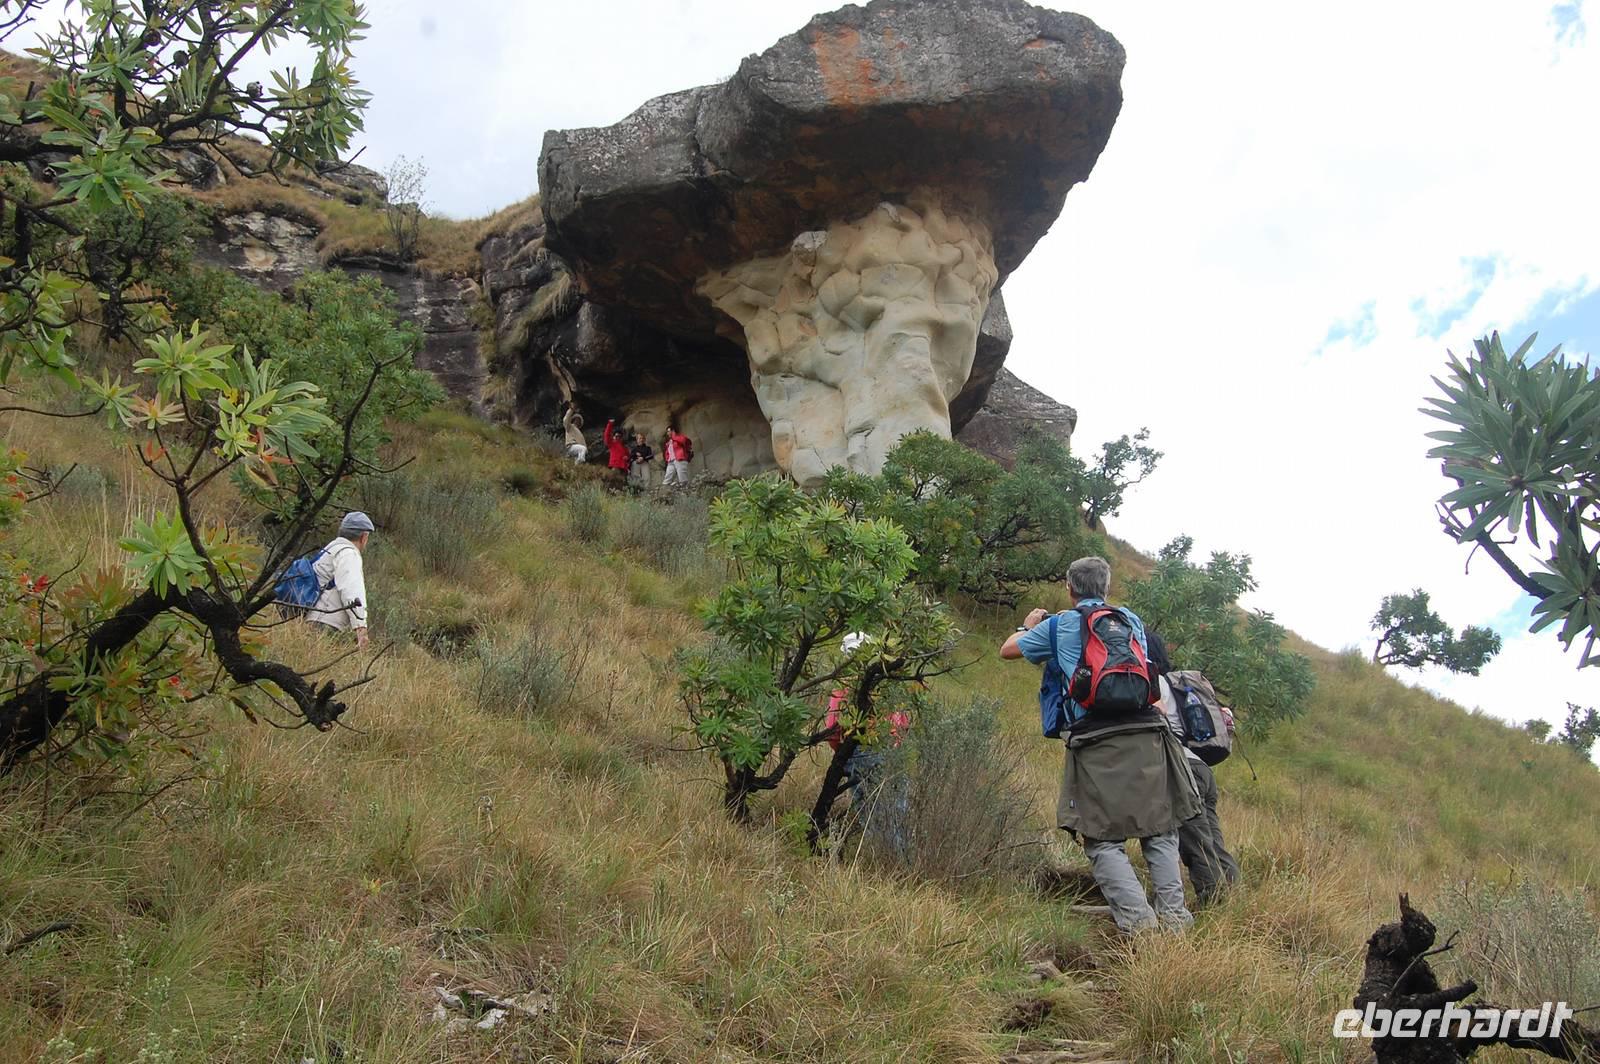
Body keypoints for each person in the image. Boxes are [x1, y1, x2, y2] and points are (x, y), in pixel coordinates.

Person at [1000, 556, 1200, 934]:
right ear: (1106, 588)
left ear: (1069, 588)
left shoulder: (1059, 625)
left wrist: (1027, 626)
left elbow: (1008, 650)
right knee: (1158, 830)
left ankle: (1140, 926)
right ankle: (1175, 923)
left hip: (1094, 740)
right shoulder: (1130, 621)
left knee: (1103, 840)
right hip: (1146, 733)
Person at [1145, 630, 1241, 907]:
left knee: (1196, 844)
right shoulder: (1176, 685)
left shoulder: (1153, 685)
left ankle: (1215, 908)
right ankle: (1235, 900)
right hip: (1200, 768)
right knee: (1212, 842)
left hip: (1181, 770)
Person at [310, 511, 374, 647]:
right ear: (364, 537)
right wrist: (361, 627)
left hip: (311, 618)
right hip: (326, 622)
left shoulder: (330, 549)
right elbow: (352, 591)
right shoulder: (349, 554)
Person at [662, 424, 693, 489]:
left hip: (680, 459)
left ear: (673, 431)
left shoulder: (680, 437)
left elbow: (684, 441)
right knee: (668, 476)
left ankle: (686, 492)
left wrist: (674, 436)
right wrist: (667, 459)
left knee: (682, 477)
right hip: (671, 461)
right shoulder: (669, 442)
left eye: (668, 431)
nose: (667, 433)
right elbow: (668, 452)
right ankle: (664, 490)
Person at [602, 419, 631, 483]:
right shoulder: (612, 444)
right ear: (614, 437)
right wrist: (610, 424)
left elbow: (629, 458)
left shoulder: (625, 448)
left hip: (624, 469)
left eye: (620, 436)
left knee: (623, 484)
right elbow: (607, 435)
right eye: (616, 436)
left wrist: (627, 458)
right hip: (615, 467)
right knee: (613, 481)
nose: (618, 438)